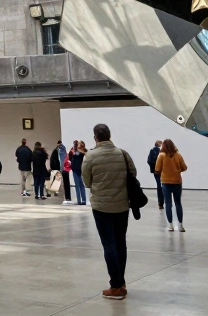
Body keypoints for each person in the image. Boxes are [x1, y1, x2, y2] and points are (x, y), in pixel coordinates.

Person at [81, 124, 136, 300]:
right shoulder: (122, 153)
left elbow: (87, 182)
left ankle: (116, 286)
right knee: (121, 243)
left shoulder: (90, 156)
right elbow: (132, 174)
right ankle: (121, 282)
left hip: (101, 207)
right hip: (121, 205)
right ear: (109, 135)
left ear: (95, 137)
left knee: (109, 244)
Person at [154, 139, 187, 232]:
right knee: (178, 203)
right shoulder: (178, 155)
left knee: (168, 204)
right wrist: (176, 170)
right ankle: (180, 225)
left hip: (165, 182)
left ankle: (170, 225)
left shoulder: (161, 156)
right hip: (177, 181)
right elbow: (184, 167)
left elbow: (157, 168)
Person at [71, 141, 87, 205]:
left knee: (79, 185)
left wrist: (76, 148)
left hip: (77, 169)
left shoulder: (81, 151)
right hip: (76, 168)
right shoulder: (76, 150)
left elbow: (80, 154)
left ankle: (81, 201)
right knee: (79, 185)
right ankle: (81, 200)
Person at [55, 140, 71, 204]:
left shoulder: (61, 149)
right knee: (65, 182)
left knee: (65, 182)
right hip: (63, 168)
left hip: (63, 168)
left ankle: (67, 197)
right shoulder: (61, 150)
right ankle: (67, 196)